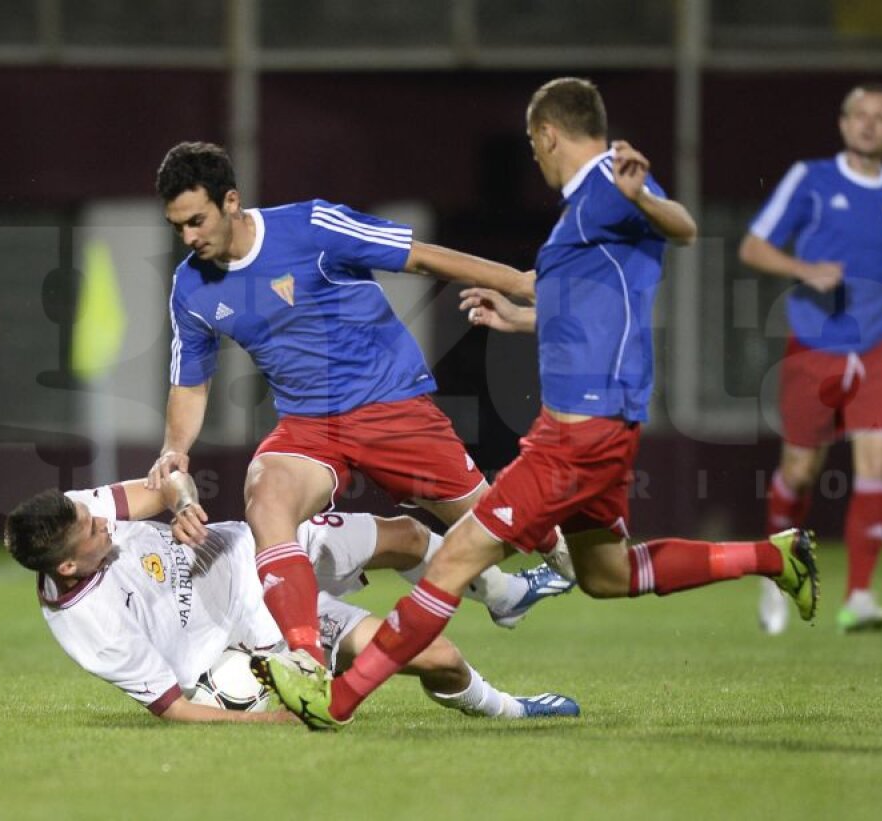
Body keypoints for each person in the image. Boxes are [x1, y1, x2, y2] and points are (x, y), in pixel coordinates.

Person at [254, 77, 821, 731]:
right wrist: (520, 318)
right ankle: (776, 555)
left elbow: (684, 227)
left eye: (533, 144)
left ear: (549, 133)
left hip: (574, 440)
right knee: (608, 573)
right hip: (600, 431)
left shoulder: (609, 181)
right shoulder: (587, 207)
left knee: (454, 559)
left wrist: (646, 198)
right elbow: (591, 304)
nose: (535, 157)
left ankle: (339, 700)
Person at [146, 141, 572, 670]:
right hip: (307, 425)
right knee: (266, 497)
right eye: (177, 227)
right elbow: (190, 383)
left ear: (230, 201)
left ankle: (556, 562)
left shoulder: (312, 226)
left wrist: (521, 283)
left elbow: (419, 256)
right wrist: (175, 448)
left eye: (196, 221)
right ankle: (304, 659)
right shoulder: (189, 286)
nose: (188, 237)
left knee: (501, 526)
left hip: (389, 405)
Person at [3, 470, 580, 723]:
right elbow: (173, 709)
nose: (101, 521)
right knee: (441, 660)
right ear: (70, 564)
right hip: (257, 638)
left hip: (254, 549)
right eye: (92, 529)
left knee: (404, 535)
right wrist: (270, 723)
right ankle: (511, 709)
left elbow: (164, 485)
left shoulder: (74, 515)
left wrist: (181, 505)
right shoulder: (93, 631)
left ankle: (503, 595)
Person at [737, 82, 882, 635]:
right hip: (815, 347)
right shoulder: (811, 179)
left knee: (877, 462)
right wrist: (803, 270)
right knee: (801, 470)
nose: (867, 124)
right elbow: (753, 246)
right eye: (858, 115)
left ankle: (859, 594)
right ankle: (774, 573)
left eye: (878, 118)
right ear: (842, 124)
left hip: (881, 347)